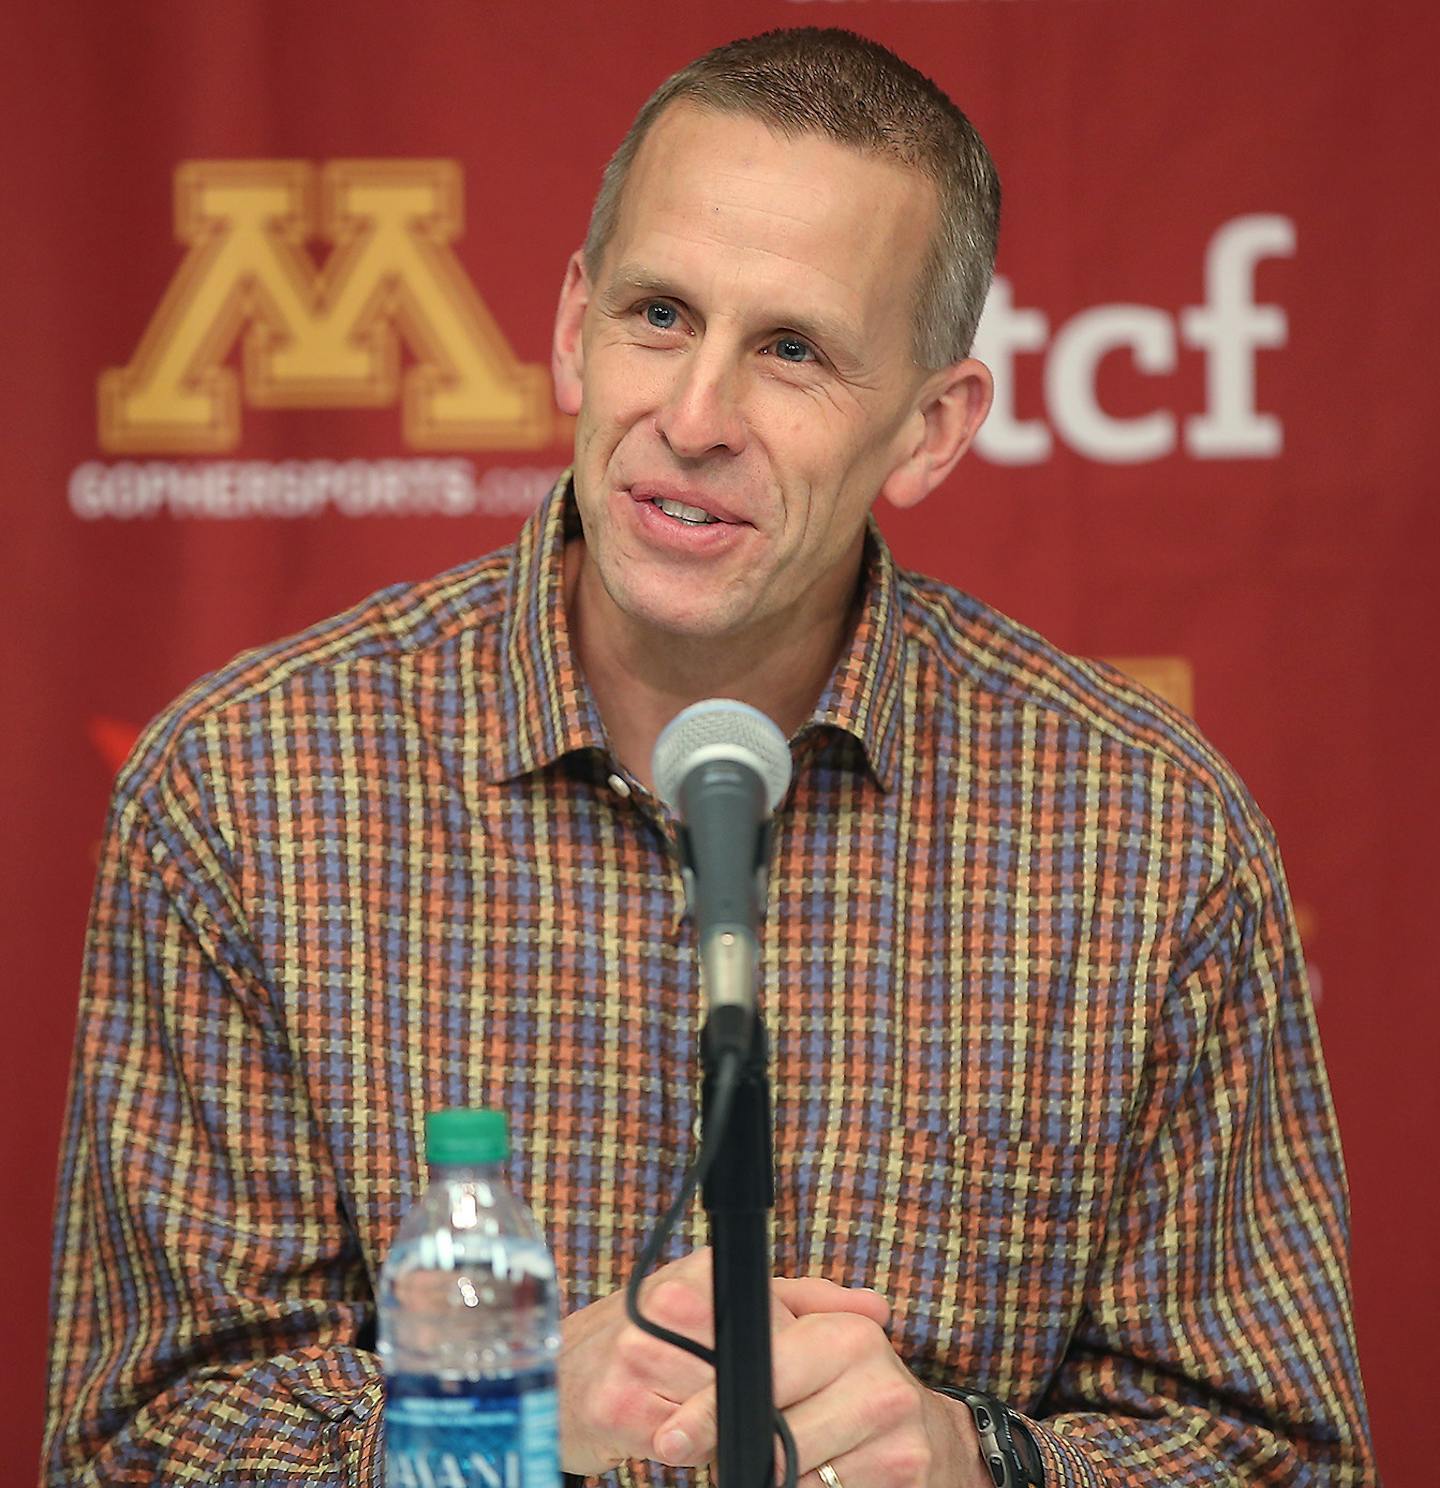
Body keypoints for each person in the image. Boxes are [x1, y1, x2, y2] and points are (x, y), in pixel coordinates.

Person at [44, 27, 1377, 1488]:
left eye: (792, 351)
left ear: (931, 428)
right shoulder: (250, 791)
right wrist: (498, 1421)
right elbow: (138, 1442)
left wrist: (976, 1459)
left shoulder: (1147, 835)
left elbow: (1280, 1457)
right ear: (570, 328)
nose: (691, 420)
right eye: (660, 315)